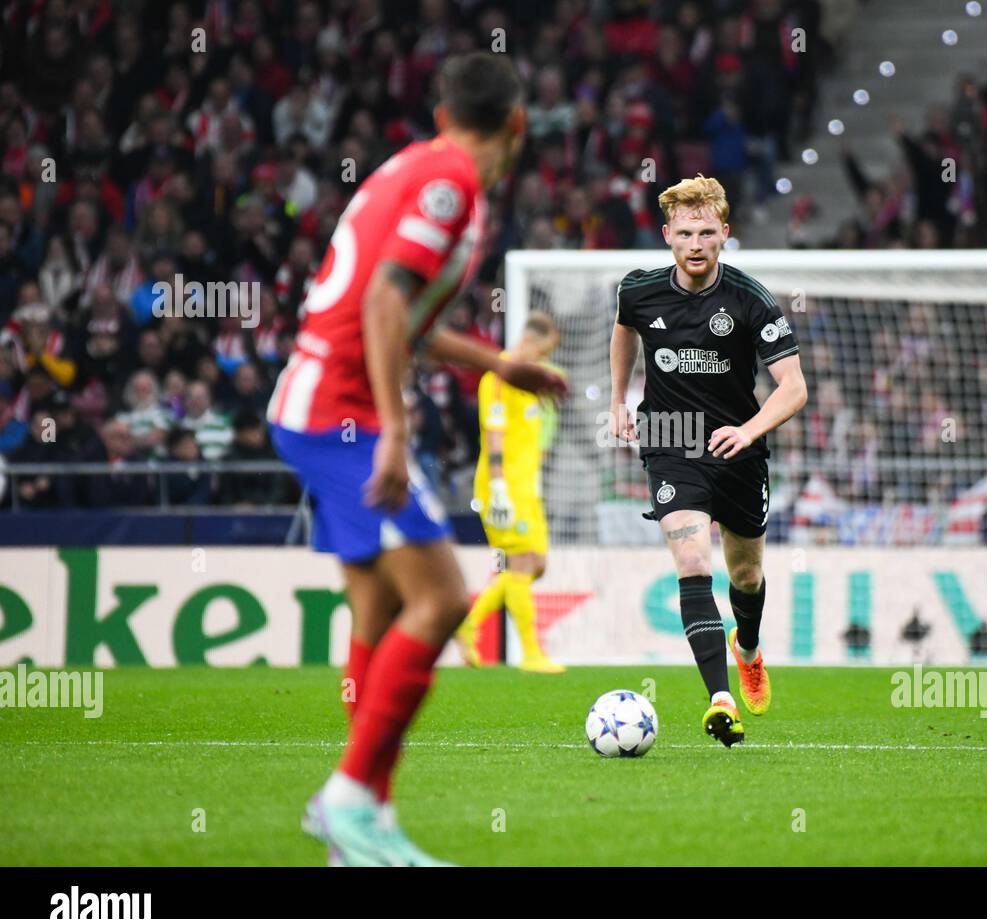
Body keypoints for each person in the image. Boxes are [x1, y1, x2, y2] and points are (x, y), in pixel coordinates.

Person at [267, 52, 566, 866]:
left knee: (378, 614)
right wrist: (395, 431)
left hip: (321, 404)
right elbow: (385, 301)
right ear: (517, 123)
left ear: (442, 114)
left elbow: (401, 315)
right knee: (440, 601)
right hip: (343, 414)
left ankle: (364, 827)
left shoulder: (422, 167)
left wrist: (497, 363)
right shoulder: (452, 184)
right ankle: (349, 799)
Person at [608, 174, 807, 747]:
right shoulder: (639, 291)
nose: (695, 244)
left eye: (706, 233)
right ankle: (720, 700)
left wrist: (747, 431)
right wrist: (619, 399)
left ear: (725, 233)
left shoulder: (751, 299)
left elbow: (793, 388)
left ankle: (747, 648)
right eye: (684, 233)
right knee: (692, 559)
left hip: (739, 448)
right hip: (671, 442)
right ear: (668, 235)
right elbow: (624, 332)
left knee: (745, 573)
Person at [454, 310, 565, 673]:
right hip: (503, 487)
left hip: (526, 486)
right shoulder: (499, 376)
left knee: (537, 564)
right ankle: (531, 653)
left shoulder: (527, 380)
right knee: (520, 562)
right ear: (529, 342)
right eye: (542, 352)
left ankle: (469, 622)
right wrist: (499, 485)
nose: (542, 360)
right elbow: (496, 434)